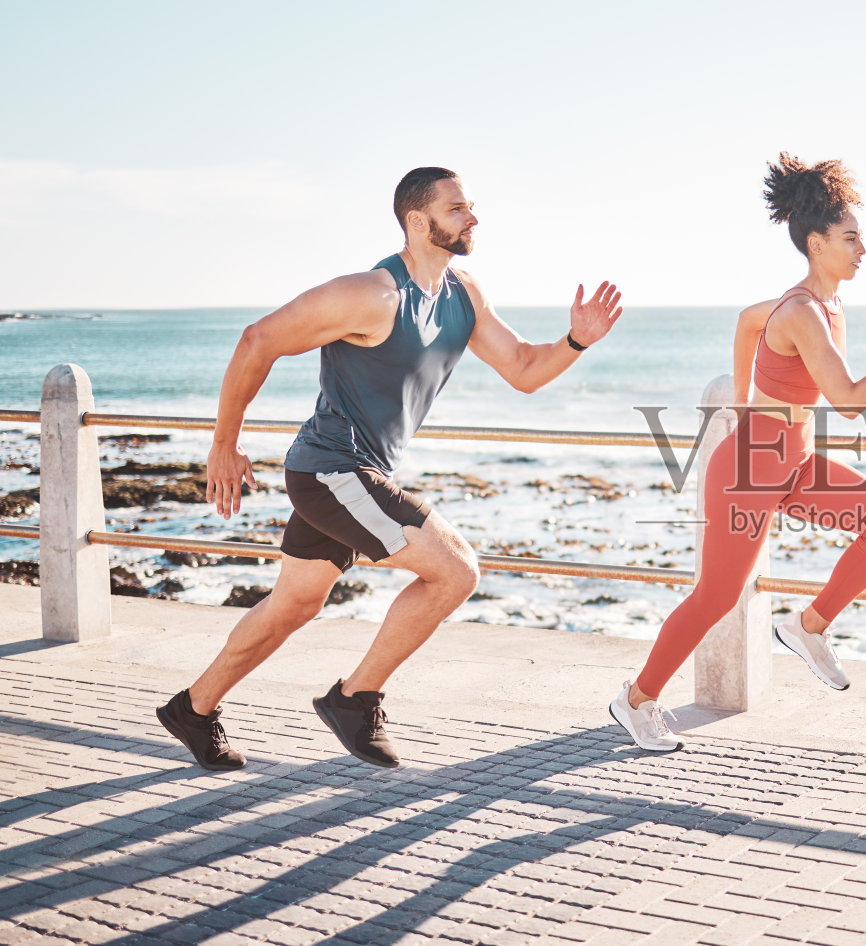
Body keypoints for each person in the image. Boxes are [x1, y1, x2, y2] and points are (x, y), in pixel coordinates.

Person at [156, 167, 623, 771]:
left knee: (293, 607)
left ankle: (192, 709)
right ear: (416, 221)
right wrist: (225, 443)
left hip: (351, 477)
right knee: (455, 571)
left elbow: (526, 369)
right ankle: (355, 699)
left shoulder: (463, 294)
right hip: (333, 471)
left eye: (472, 207)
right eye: (458, 209)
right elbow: (257, 340)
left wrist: (576, 341)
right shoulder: (372, 294)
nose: (472, 218)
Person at [609, 153, 866, 752]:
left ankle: (808, 625)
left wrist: (743, 401)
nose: (862, 251)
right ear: (817, 243)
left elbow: (746, 324)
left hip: (790, 464)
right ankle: (635, 699)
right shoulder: (802, 312)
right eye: (851, 239)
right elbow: (847, 400)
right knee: (716, 597)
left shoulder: (817, 306)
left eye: (861, 239)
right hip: (749, 470)